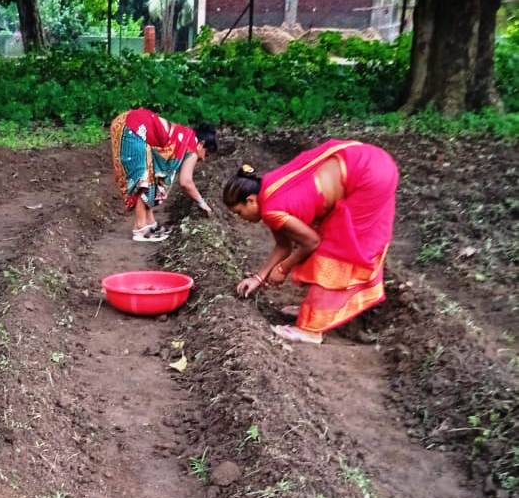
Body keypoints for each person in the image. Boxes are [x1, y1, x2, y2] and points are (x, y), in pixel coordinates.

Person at [222, 140, 397, 344]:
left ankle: (311, 329)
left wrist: (284, 268)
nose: (240, 218)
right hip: (366, 158)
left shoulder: (271, 210)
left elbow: (311, 242)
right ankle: (313, 310)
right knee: (326, 235)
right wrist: (259, 278)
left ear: (250, 200)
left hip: (370, 177)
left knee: (337, 249)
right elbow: (284, 245)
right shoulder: (267, 190)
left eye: (238, 212)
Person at [110, 108, 217, 242]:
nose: (204, 158)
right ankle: (141, 228)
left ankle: (150, 223)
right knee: (143, 180)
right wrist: (202, 203)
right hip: (133, 128)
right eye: (206, 154)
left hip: (130, 123)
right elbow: (186, 182)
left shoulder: (185, 137)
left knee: (151, 177)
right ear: (202, 144)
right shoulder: (192, 146)